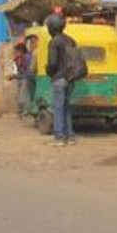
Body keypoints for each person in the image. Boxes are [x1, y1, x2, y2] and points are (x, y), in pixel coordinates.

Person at [44, 12, 77, 146]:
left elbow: (52, 64)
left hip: (59, 78)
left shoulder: (54, 42)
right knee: (66, 107)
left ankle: (59, 137)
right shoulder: (70, 40)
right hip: (71, 78)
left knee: (58, 108)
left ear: (52, 27)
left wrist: (48, 71)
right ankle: (70, 137)